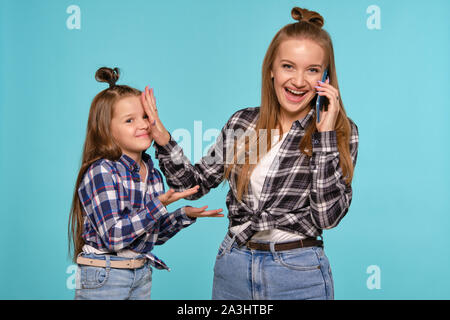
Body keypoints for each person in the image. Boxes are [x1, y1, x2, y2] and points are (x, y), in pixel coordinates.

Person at [143, 7, 359, 300]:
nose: (298, 81)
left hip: (297, 272)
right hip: (234, 267)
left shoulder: (341, 132)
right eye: (288, 66)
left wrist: (325, 136)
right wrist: (163, 139)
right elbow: (192, 186)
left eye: (312, 70)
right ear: (271, 69)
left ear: (326, 78)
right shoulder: (246, 124)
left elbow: (326, 216)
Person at [68, 67, 223, 300]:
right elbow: (113, 236)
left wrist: (184, 214)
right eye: (129, 120)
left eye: (145, 117)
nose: (142, 125)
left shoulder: (151, 172)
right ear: (106, 130)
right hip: (106, 273)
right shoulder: (102, 171)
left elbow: (149, 235)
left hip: (139, 271)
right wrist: (159, 204)